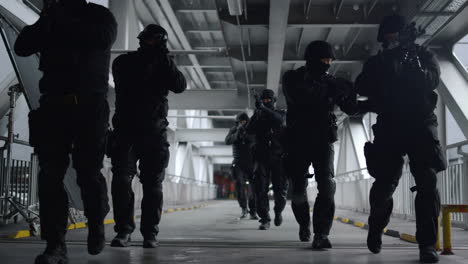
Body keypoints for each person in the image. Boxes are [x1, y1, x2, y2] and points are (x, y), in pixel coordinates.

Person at [14, 0, 117, 263]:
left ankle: (96, 222)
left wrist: (62, 19)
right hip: (53, 105)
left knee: (88, 174)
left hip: (89, 107)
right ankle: (55, 244)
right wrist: (47, 19)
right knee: (50, 177)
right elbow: (23, 46)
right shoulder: (51, 18)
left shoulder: (98, 15)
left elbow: (103, 39)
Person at [355, 15, 446, 263]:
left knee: (427, 182)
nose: (394, 39)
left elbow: (431, 80)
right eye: (390, 36)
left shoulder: (423, 55)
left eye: (398, 35)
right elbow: (362, 86)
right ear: (384, 39)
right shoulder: (378, 61)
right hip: (390, 126)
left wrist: (411, 58)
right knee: (384, 185)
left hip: (420, 125)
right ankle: (376, 227)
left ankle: (427, 244)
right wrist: (388, 62)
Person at [109, 24, 187, 249]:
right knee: (122, 181)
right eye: (150, 40)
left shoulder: (164, 64)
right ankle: (124, 230)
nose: (152, 44)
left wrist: (165, 59)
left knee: (153, 186)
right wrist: (157, 61)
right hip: (126, 131)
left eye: (156, 41)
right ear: (142, 40)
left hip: (154, 133)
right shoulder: (124, 62)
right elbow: (129, 81)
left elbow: (180, 86)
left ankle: (149, 234)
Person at [282, 40, 357, 248]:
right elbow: (301, 98)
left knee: (327, 185)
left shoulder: (331, 83)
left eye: (330, 60)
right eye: (324, 60)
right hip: (297, 141)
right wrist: (332, 87)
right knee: (297, 190)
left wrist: (350, 91)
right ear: (312, 59)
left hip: (323, 140)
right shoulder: (292, 78)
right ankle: (304, 225)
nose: (328, 64)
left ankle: (321, 234)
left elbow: (351, 108)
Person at [246, 89, 288, 230]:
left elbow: (280, 120)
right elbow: (249, 130)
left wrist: (264, 109)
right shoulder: (259, 115)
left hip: (278, 157)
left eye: (268, 100)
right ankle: (265, 218)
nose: (265, 102)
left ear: (274, 101)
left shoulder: (280, 113)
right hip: (261, 157)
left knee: (280, 190)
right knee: (260, 189)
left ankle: (278, 211)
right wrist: (257, 114)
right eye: (263, 100)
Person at [225, 112, 257, 220]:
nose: (243, 123)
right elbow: (227, 141)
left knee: (254, 187)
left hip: (250, 162)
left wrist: (247, 135)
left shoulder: (251, 129)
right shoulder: (234, 129)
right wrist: (237, 133)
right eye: (241, 121)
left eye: (245, 121)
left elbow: (256, 141)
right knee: (239, 185)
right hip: (238, 162)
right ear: (237, 122)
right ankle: (244, 208)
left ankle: (253, 211)